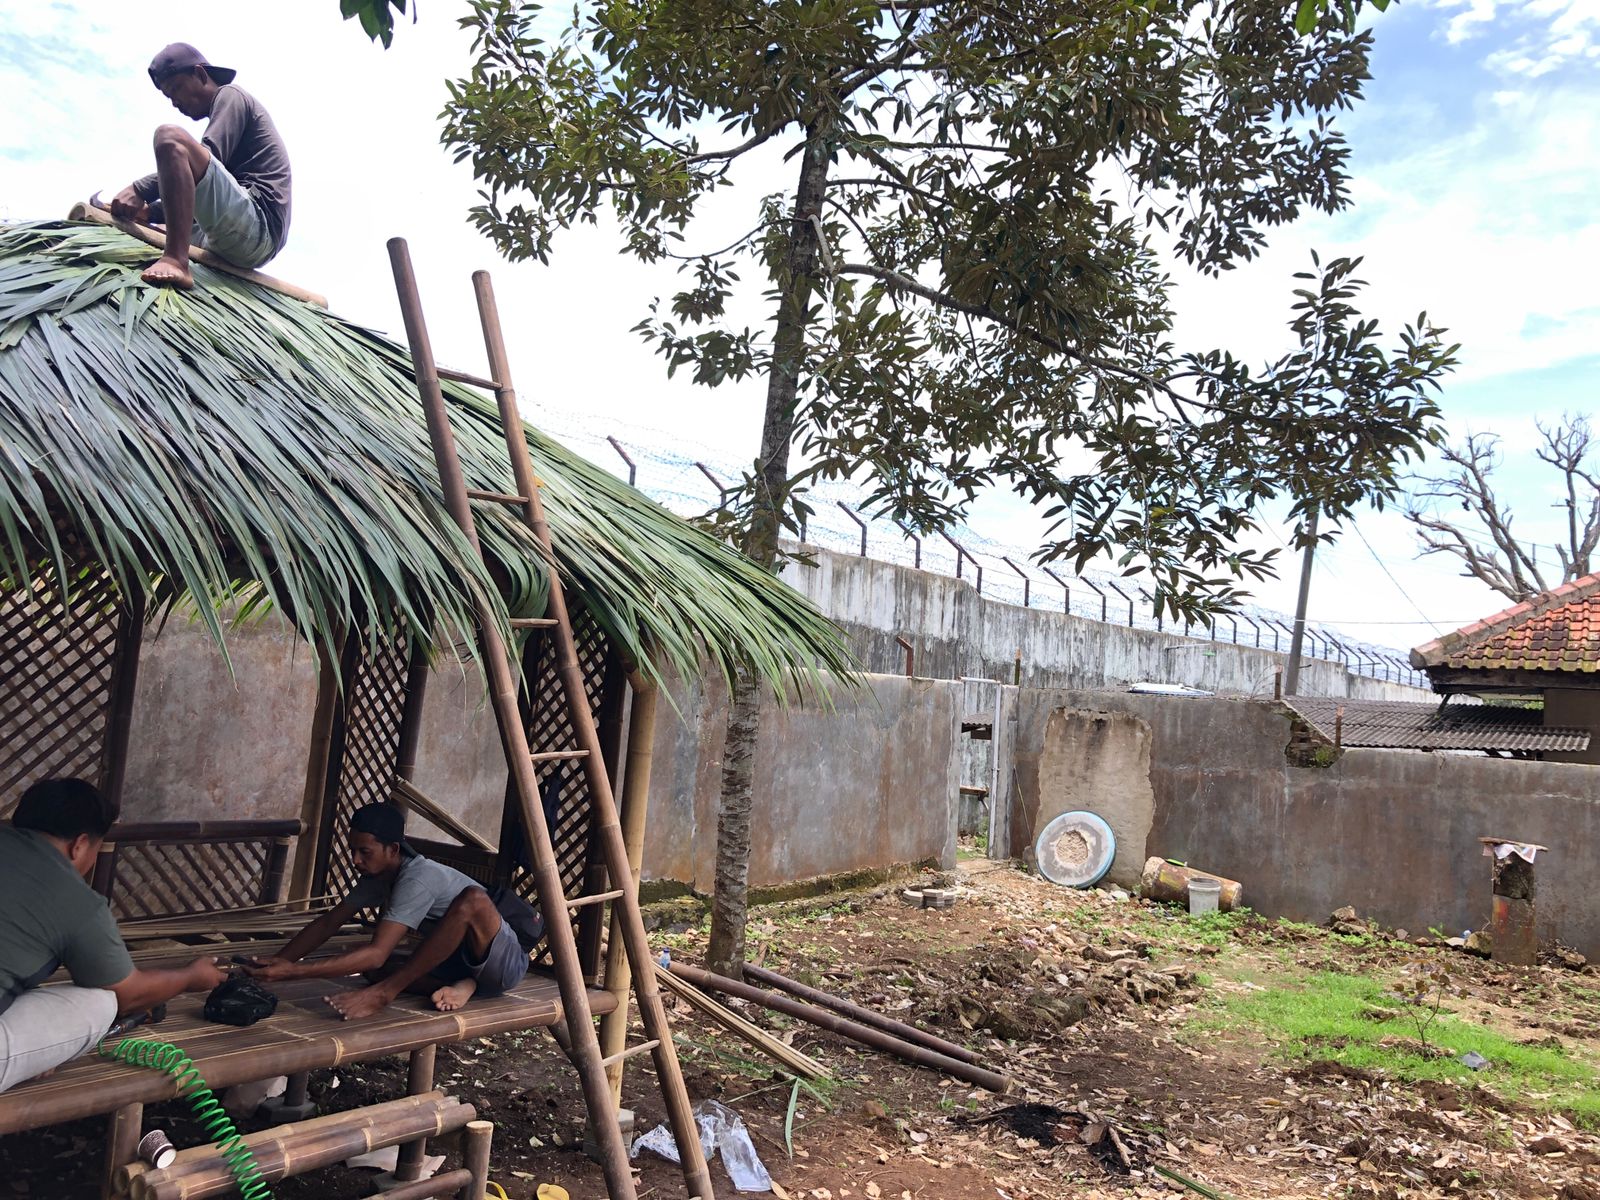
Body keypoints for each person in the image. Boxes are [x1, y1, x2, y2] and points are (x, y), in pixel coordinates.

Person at [0, 779, 227, 1095]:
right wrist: (191, 976)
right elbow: (129, 994)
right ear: (79, 845)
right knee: (101, 1001)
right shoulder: (77, 901)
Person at [245, 805, 534, 1020]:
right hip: (457, 964)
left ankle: (385, 993)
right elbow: (329, 922)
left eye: (365, 852)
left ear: (393, 849)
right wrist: (281, 961)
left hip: (504, 966)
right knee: (372, 967)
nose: (356, 860)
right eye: (352, 851)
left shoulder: (418, 877)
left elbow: (378, 951)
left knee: (473, 899)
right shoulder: (378, 876)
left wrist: (294, 972)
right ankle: (463, 985)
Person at [108, 43, 292, 289]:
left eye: (177, 89)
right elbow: (201, 191)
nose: (175, 102)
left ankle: (175, 260)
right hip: (229, 234)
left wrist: (140, 189)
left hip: (258, 227)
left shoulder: (231, 95)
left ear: (201, 74)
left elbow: (206, 156)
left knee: (170, 138)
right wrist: (149, 212)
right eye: (168, 97)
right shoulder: (221, 123)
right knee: (152, 229)